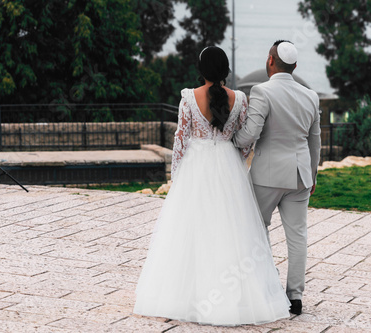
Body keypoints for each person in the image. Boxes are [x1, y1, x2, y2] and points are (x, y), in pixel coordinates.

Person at [133, 46, 290, 326]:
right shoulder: (240, 99)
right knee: (230, 231)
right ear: (225, 70)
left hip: (197, 166)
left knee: (190, 231)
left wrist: (176, 177)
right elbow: (246, 141)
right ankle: (234, 297)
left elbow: (180, 142)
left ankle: (184, 297)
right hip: (228, 165)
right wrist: (238, 166)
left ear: (201, 69)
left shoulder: (188, 98)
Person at [233, 40, 322, 315]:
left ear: (271, 61)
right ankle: (295, 297)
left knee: (259, 231)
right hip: (300, 176)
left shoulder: (262, 90)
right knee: (298, 237)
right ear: (295, 66)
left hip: (267, 176)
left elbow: (250, 134)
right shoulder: (311, 96)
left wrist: (231, 141)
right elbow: (315, 142)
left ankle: (266, 289)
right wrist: (313, 174)